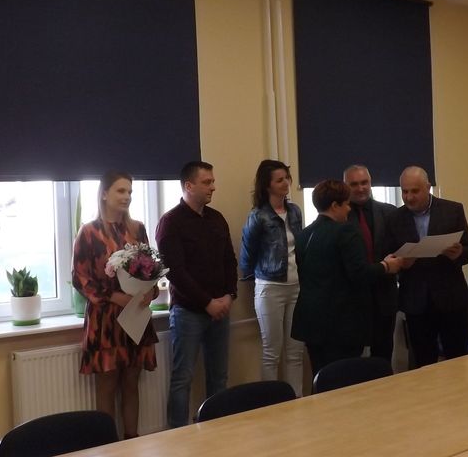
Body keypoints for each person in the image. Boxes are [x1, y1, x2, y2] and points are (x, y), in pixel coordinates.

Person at [72, 171, 158, 439]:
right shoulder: (89, 232)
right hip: (105, 319)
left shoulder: (137, 229)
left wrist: (150, 291)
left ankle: (132, 443)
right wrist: (112, 296)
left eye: (130, 191)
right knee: (107, 385)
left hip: (135, 316)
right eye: (121, 191)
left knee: (131, 383)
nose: (127, 196)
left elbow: (150, 269)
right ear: (104, 194)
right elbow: (80, 278)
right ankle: (107, 445)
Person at [291, 179, 404, 377]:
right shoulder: (346, 231)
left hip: (311, 321)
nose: (349, 209)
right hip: (341, 323)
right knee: (344, 379)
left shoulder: (304, 234)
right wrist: (386, 266)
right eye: (346, 204)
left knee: (322, 378)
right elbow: (359, 273)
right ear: (335, 206)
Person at [156, 161, 238, 428]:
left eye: (213, 181)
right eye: (206, 182)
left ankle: (217, 429)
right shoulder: (171, 222)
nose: (213, 187)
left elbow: (229, 261)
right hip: (188, 312)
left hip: (221, 309)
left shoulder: (217, 218)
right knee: (183, 378)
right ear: (189, 186)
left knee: (219, 377)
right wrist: (207, 303)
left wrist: (229, 295)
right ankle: (177, 433)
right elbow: (175, 272)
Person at [386, 166, 468, 368]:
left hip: (451, 299)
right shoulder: (394, 218)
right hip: (415, 302)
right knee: (422, 363)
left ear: (428, 187)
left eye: (414, 191)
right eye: (404, 191)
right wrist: (401, 263)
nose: (409, 197)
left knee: (457, 362)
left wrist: (459, 253)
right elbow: (389, 256)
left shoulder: (452, 210)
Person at [239, 160, 305, 396]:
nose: (286, 183)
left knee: (295, 351)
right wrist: (254, 280)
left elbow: (300, 246)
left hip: (297, 287)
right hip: (270, 287)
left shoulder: (295, 211)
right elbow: (247, 254)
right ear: (267, 185)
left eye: (287, 178)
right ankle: (271, 401)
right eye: (279, 180)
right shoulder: (258, 215)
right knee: (271, 351)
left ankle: (296, 399)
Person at [343, 164, 398, 363]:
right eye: (354, 184)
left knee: (383, 355)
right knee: (350, 359)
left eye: (364, 182)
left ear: (371, 182)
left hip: (384, 296)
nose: (360, 188)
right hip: (351, 299)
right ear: (345, 186)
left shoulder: (389, 212)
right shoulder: (339, 217)